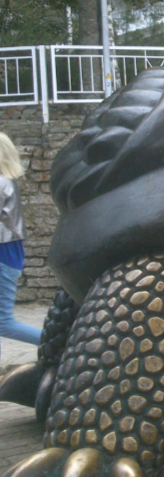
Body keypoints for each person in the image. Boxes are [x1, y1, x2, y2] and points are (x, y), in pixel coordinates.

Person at [0, 133, 41, 366]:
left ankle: (62, 343)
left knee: (3, 323)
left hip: (3, 256)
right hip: (8, 254)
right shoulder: (6, 181)